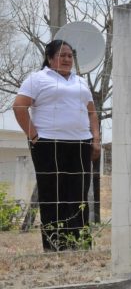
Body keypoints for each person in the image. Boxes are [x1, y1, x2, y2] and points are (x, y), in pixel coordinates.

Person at [12, 40, 101, 251]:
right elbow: (19, 106)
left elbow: (92, 112)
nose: (67, 59)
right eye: (62, 55)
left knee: (78, 194)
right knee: (52, 194)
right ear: (50, 58)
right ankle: (55, 246)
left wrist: (95, 139)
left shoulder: (80, 82)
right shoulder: (37, 79)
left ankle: (79, 244)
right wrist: (34, 136)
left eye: (70, 56)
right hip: (48, 144)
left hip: (80, 144)